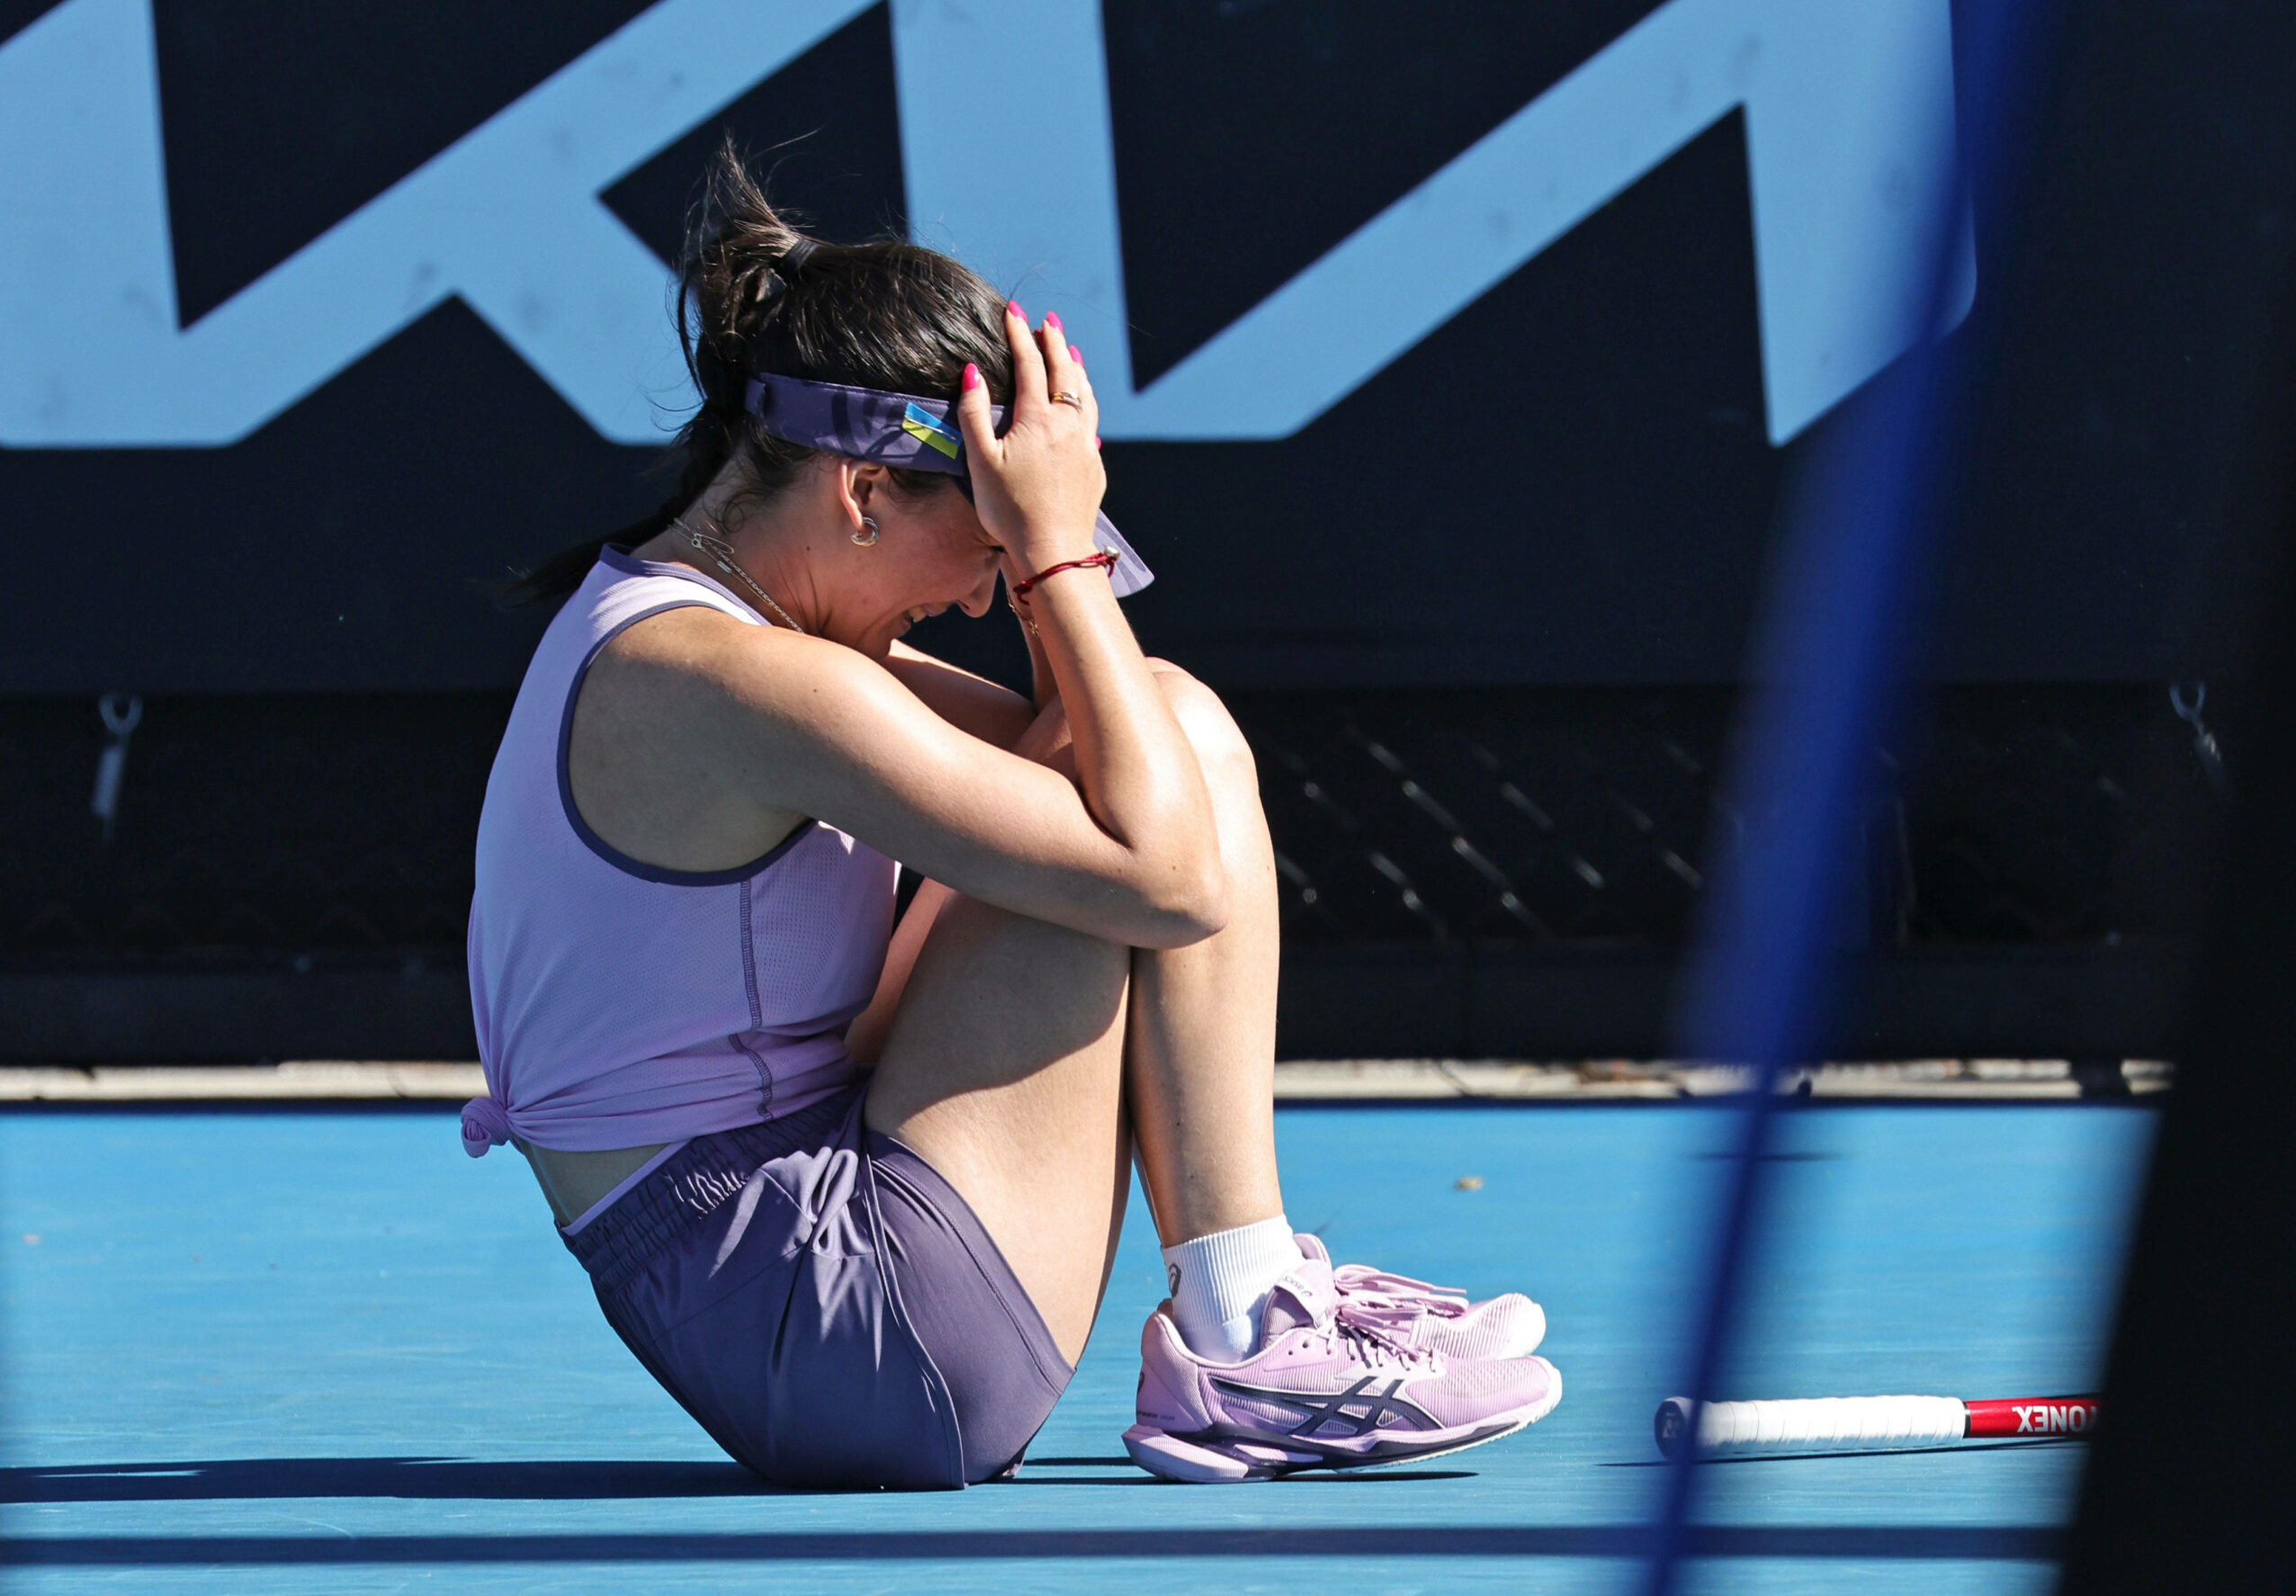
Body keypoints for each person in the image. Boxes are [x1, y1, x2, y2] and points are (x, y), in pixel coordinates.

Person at [461, 148, 1559, 1487]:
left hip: (811, 1261)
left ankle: (1252, 1304)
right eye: (979, 548)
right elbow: (1165, 877)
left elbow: (1121, 763)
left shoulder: (730, 639)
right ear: (863, 493)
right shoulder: (728, 681)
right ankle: (1247, 1332)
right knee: (1156, 787)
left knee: (1169, 731)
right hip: (858, 1340)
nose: (986, 598)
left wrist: (1044, 548)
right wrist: (1059, 550)